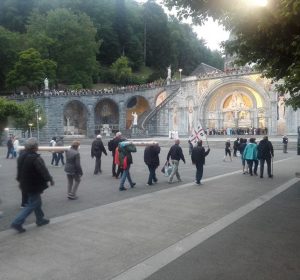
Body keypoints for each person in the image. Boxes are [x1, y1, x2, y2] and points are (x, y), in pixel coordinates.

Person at [10, 137, 54, 233]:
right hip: (33, 185)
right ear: (34, 147)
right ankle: (17, 222)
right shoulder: (35, 158)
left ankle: (40, 219)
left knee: (36, 202)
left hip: (25, 183)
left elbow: (19, 170)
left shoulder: (21, 156)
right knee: (33, 203)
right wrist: (50, 179)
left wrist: (19, 180)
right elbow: (43, 171)